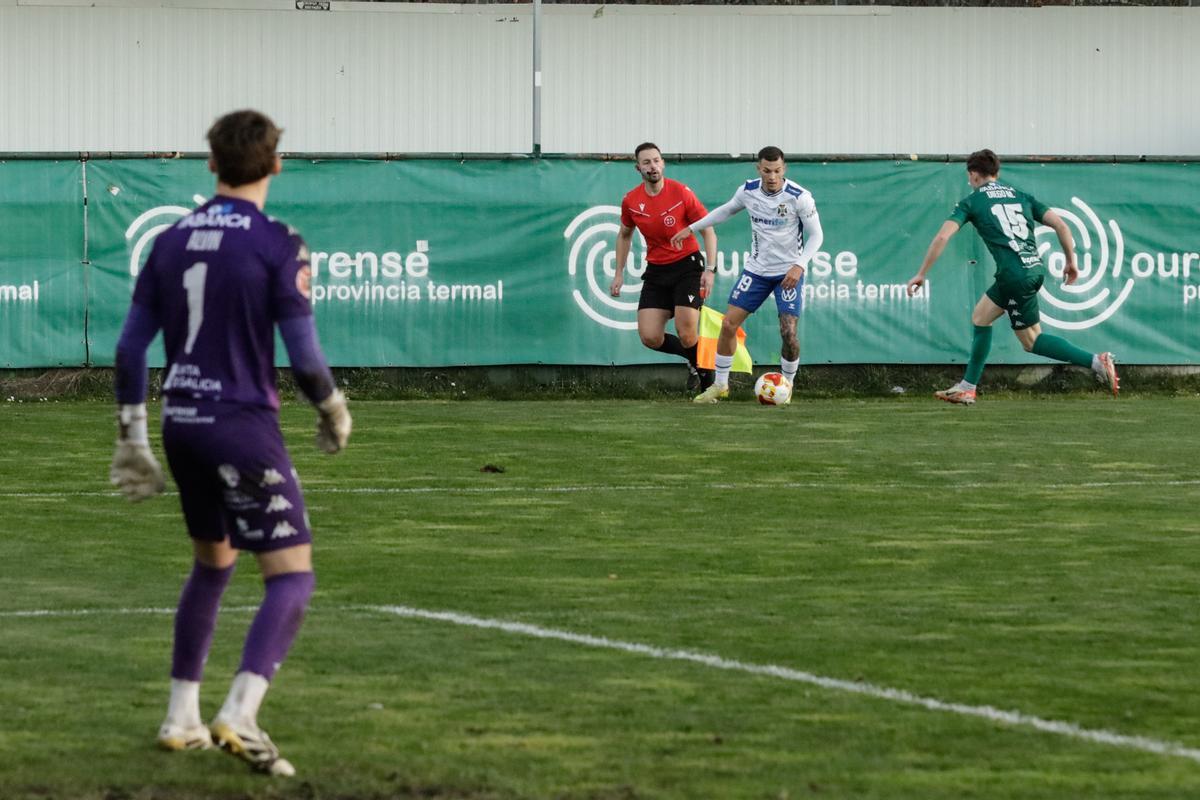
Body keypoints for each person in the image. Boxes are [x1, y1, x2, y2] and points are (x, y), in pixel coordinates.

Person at [109, 109, 351, 777]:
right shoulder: (279, 242)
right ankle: (240, 711)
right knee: (293, 576)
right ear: (277, 164)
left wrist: (130, 437)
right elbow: (303, 357)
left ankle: (180, 716)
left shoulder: (171, 238)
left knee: (214, 566)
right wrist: (332, 408)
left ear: (210, 164)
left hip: (180, 422)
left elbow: (131, 347)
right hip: (242, 424)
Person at [906, 148, 1119, 404]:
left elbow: (942, 236)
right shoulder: (1021, 196)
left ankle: (1097, 362)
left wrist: (921, 273)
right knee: (983, 318)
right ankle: (967, 387)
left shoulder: (972, 201)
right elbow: (1062, 225)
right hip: (1032, 269)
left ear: (973, 175)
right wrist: (1071, 262)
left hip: (1013, 276)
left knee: (1030, 341)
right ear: (997, 173)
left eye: (969, 176)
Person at [673, 146, 824, 404]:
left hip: (788, 273)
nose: (772, 176)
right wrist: (692, 228)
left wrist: (799, 266)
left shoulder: (800, 197)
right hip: (756, 271)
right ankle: (720, 385)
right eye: (767, 170)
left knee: (788, 332)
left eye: (777, 171)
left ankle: (787, 387)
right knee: (728, 324)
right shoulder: (748, 191)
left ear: (784, 169)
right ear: (759, 169)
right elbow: (726, 210)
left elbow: (817, 236)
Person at [610, 142, 718, 391]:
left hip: (688, 266)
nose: (653, 166)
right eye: (646, 162)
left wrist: (710, 270)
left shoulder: (680, 192)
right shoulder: (631, 200)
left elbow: (709, 230)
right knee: (649, 337)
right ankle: (698, 361)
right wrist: (619, 273)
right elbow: (624, 234)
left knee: (687, 333)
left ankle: (707, 383)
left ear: (663, 163)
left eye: (657, 160)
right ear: (638, 168)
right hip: (657, 271)